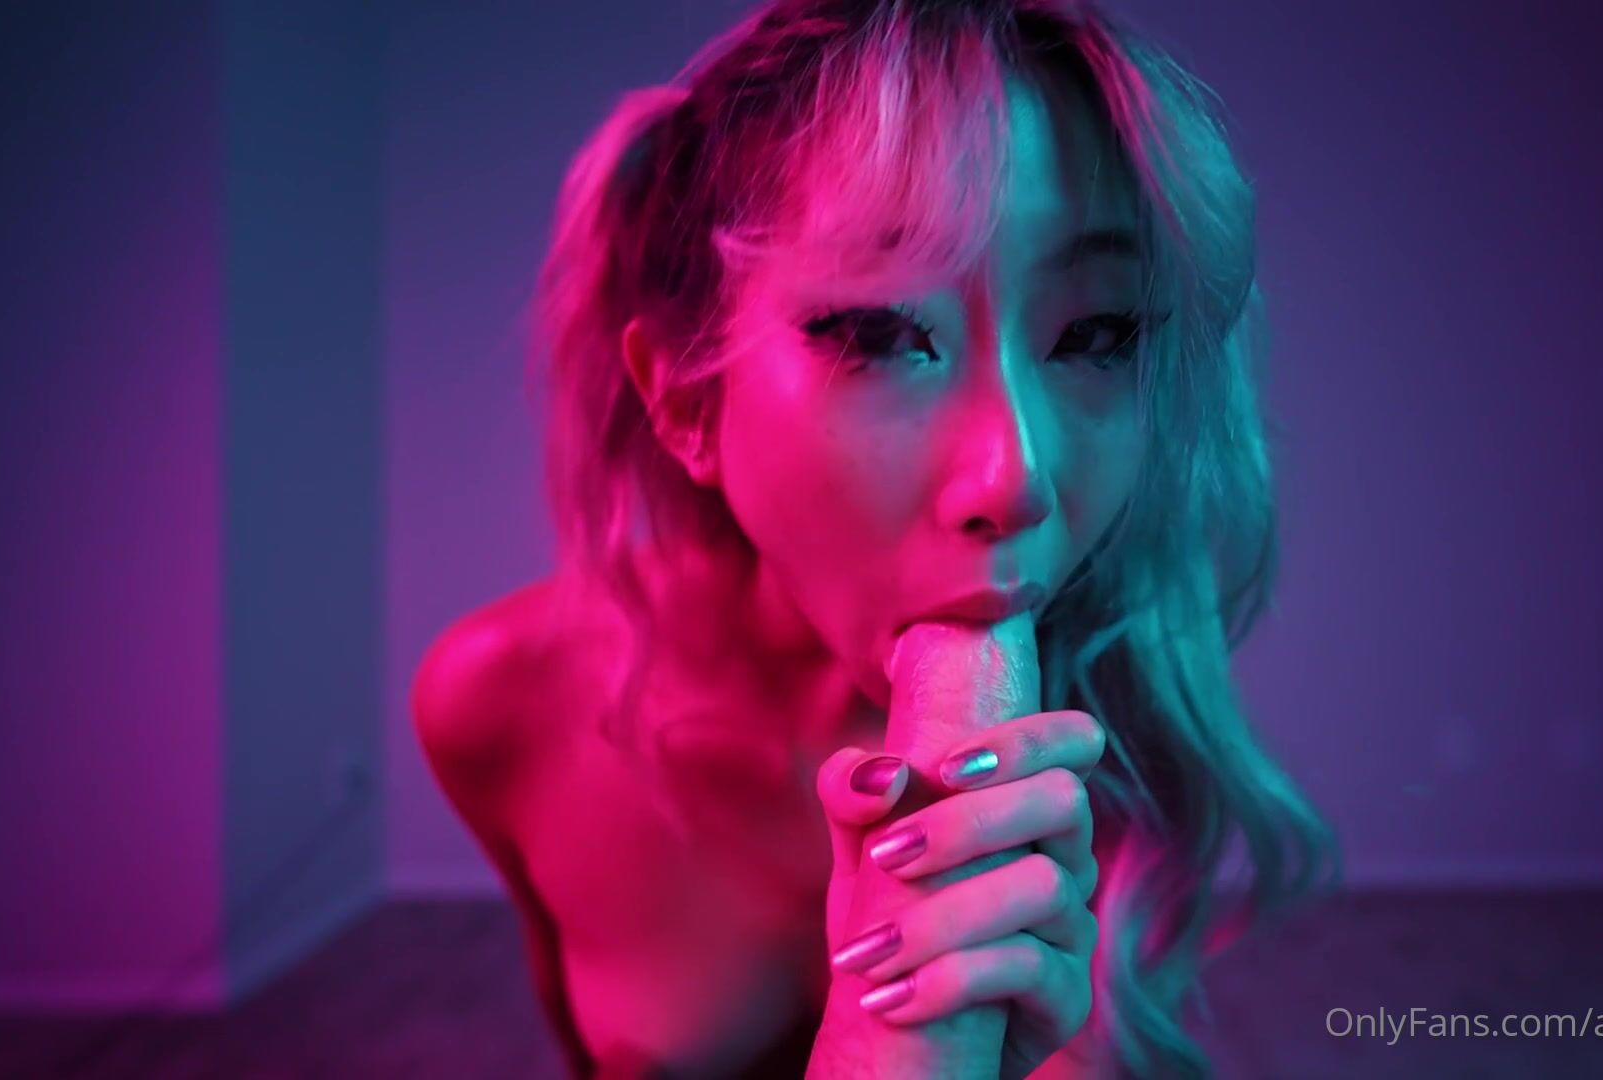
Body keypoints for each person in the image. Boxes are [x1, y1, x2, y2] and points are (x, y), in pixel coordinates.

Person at [412, 1, 1335, 1075]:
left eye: (1097, 332)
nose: (1015, 479)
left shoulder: (1128, 716)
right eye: (881, 335)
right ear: (684, 403)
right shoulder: (500, 705)